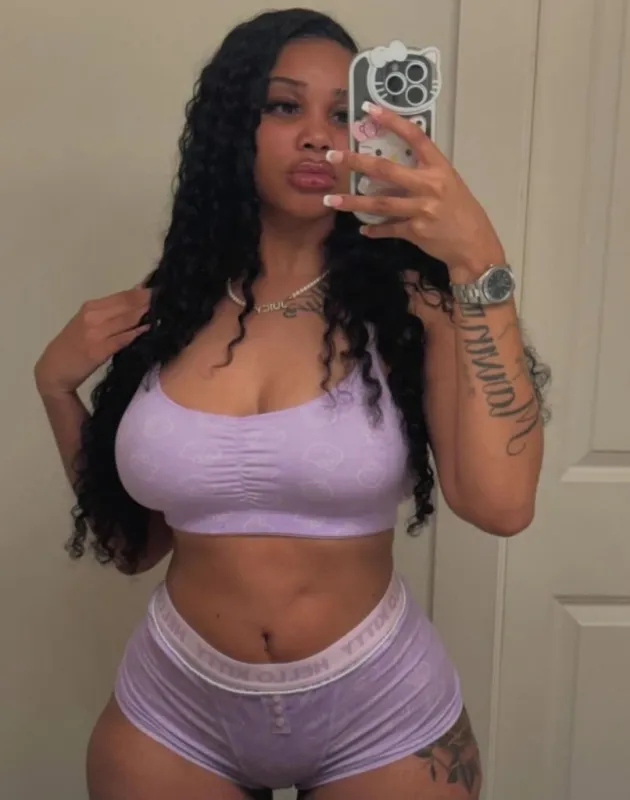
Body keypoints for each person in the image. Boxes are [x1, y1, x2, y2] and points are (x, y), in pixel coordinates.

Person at [34, 8, 550, 800]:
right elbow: (134, 549)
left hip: (380, 711)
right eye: (284, 106)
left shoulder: (419, 307)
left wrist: (478, 259)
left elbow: (502, 504)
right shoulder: (170, 309)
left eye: (344, 115)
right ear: (233, 129)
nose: (316, 136)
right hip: (175, 714)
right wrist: (55, 388)